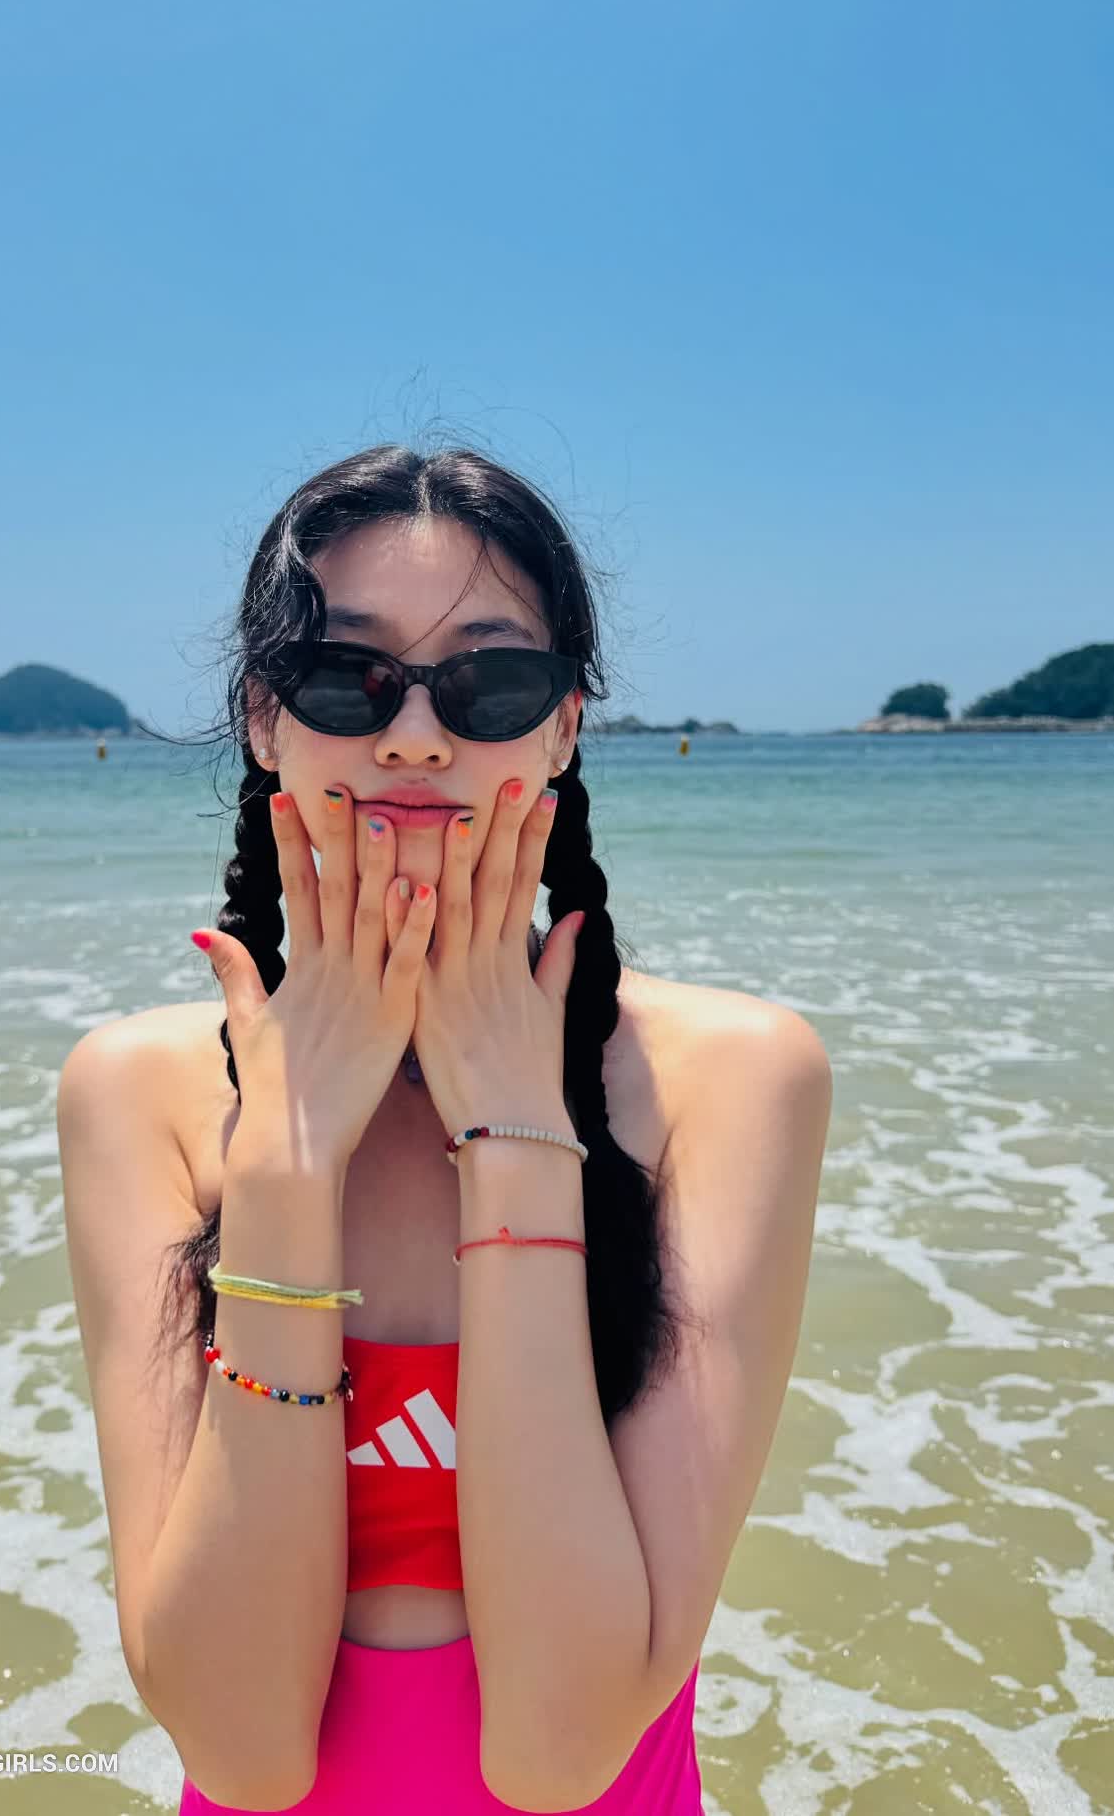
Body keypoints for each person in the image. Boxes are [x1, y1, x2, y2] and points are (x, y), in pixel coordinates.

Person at [56, 444, 832, 1813]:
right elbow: (240, 1754)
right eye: (345, 677)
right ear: (262, 718)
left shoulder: (729, 1079)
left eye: (490, 684)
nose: (415, 738)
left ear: (563, 728)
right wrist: (287, 1163)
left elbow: (559, 1753)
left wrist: (518, 1134)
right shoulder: (141, 1090)